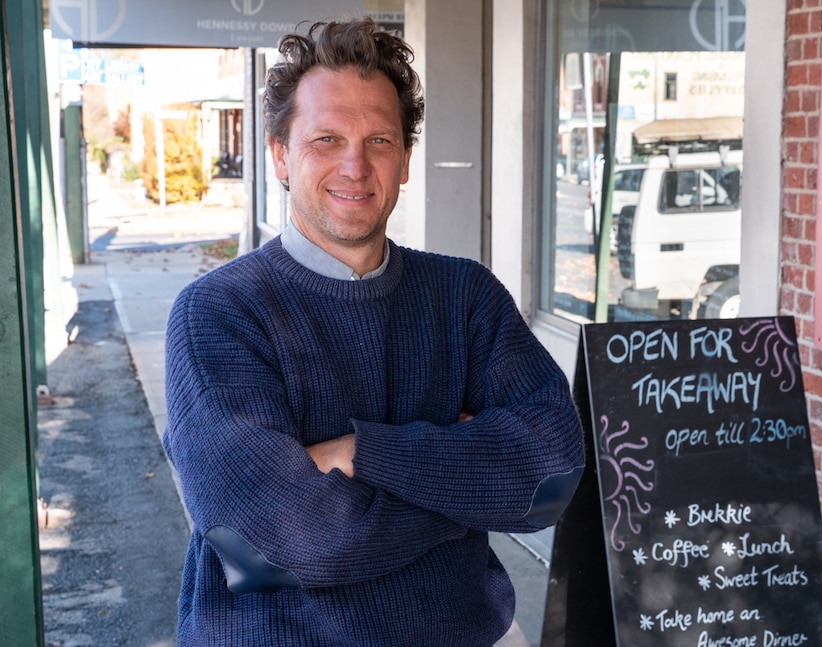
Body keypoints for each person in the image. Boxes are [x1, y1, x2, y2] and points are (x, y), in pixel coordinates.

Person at [162, 16, 585, 646]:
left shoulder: (464, 296)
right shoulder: (219, 313)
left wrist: (357, 455)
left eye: (380, 140)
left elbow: (551, 478)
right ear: (280, 155)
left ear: (406, 159)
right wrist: (468, 480)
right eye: (326, 139)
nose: (355, 166)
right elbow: (273, 545)